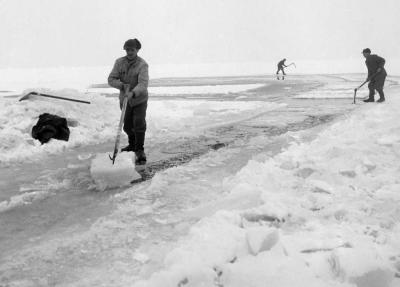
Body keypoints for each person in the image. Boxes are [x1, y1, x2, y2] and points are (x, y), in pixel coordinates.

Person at [108, 38, 149, 164]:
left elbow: (143, 84)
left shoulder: (142, 65)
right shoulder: (119, 62)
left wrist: (133, 92)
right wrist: (121, 85)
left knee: (138, 123)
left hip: (139, 99)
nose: (129, 52)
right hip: (125, 100)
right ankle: (132, 145)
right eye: (127, 50)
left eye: (132, 50)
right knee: (128, 125)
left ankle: (139, 149)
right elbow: (111, 79)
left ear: (137, 50)